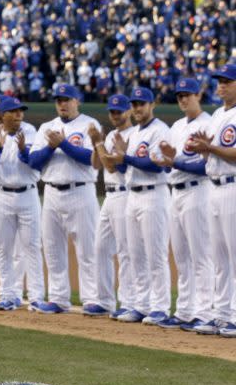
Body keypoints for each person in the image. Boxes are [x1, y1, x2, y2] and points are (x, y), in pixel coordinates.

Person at [29, 84, 101, 314]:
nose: (62, 103)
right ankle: (58, 298)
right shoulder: (47, 128)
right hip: (51, 192)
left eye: (67, 99)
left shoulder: (90, 125)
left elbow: (91, 158)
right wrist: (51, 147)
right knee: (52, 248)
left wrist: (63, 144)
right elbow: (33, 161)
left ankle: (92, 298)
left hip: (81, 191)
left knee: (87, 249)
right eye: (59, 99)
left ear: (77, 100)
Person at [149, 79, 213, 329]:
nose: (184, 99)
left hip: (199, 193)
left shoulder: (208, 124)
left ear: (199, 95)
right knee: (182, 256)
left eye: (188, 94)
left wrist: (173, 162)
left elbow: (206, 166)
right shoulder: (175, 126)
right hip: (176, 193)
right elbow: (168, 160)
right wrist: (164, 158)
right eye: (179, 96)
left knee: (201, 256)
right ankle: (185, 310)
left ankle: (205, 311)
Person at [106, 87, 172, 324]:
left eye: (141, 104)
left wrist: (126, 157)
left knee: (155, 254)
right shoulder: (134, 134)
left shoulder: (160, 130)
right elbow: (126, 168)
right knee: (136, 255)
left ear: (151, 105)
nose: (137, 109)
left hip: (154, 195)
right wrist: (117, 159)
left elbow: (157, 165)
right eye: (134, 104)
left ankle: (160, 307)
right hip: (133, 196)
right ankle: (141, 305)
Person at [0, 97, 44, 311]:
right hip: (0, 196)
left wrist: (24, 150)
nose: (19, 115)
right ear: (3, 115)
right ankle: (8, 294)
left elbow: (35, 162)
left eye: (20, 111)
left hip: (27, 194)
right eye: (14, 112)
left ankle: (36, 297)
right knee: (2, 247)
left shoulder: (32, 132)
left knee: (32, 246)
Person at [188, 64, 236, 337]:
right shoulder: (218, 114)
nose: (221, 85)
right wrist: (204, 151)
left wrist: (211, 148)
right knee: (218, 256)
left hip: (232, 188)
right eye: (219, 80)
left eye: (227, 81)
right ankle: (221, 314)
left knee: (234, 254)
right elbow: (215, 155)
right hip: (214, 188)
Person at [85, 94, 135, 320]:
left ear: (129, 112)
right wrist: (99, 144)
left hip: (126, 195)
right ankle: (105, 300)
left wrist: (97, 143)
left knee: (125, 251)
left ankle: (129, 301)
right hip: (109, 197)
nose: (115, 115)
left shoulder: (134, 135)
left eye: (119, 111)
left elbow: (114, 168)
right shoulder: (111, 135)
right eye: (112, 111)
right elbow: (97, 164)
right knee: (101, 248)